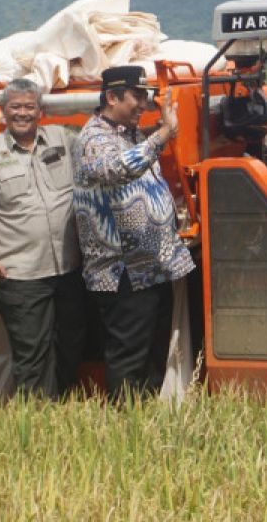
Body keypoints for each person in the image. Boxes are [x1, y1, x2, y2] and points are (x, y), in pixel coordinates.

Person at [71, 65, 195, 400]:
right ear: (111, 97)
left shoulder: (130, 133)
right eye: (136, 96)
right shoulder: (93, 138)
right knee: (129, 353)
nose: (143, 103)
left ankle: (146, 417)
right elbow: (116, 169)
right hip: (122, 270)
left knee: (153, 353)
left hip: (151, 265)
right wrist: (162, 135)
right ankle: (126, 425)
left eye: (146, 96)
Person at [0, 78, 85, 398]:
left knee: (70, 345)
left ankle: (62, 409)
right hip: (21, 273)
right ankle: (35, 423)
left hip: (68, 268)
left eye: (29, 107)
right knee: (32, 353)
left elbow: (96, 152)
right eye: (15, 107)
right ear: (3, 112)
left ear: (41, 111)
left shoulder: (62, 140)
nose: (22, 113)